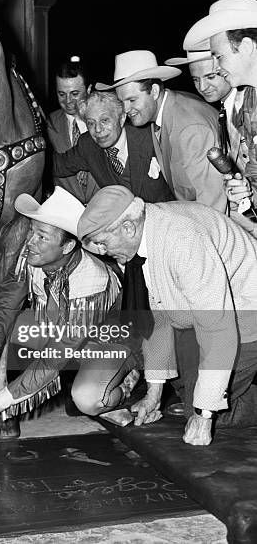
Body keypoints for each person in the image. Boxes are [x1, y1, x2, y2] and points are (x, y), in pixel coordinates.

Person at [76, 185, 257, 446]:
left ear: (127, 228)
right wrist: (154, 394)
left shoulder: (181, 240)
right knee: (193, 393)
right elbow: (158, 319)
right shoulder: (143, 237)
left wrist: (204, 416)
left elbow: (218, 329)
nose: (102, 252)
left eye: (103, 243)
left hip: (246, 316)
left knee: (211, 408)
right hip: (209, 315)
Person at [0, 187, 140, 430]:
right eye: (32, 231)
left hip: (105, 345)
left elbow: (54, 359)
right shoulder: (34, 254)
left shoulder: (93, 281)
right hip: (59, 334)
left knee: (87, 399)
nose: (30, 242)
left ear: (67, 247)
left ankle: (126, 386)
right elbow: (5, 305)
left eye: (42, 237)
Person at [96, 50, 226, 212]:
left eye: (132, 100)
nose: (126, 109)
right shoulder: (163, 111)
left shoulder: (190, 128)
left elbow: (213, 203)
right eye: (122, 102)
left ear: (155, 91)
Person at [182, 0, 257, 227]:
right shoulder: (250, 104)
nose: (217, 65)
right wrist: (249, 188)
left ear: (245, 47)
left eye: (219, 56)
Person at [53, 90, 174, 203]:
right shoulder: (88, 145)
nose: (98, 129)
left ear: (121, 119)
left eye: (105, 120)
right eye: (91, 123)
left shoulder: (150, 136)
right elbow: (56, 166)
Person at [165, 49, 251, 173]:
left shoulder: (249, 107)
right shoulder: (224, 109)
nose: (202, 87)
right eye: (195, 79)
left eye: (210, 77)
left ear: (227, 69)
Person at [46, 58, 99, 203]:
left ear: (88, 89)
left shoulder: (105, 122)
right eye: (61, 94)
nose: (68, 100)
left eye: (75, 93)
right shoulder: (46, 125)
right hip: (63, 214)